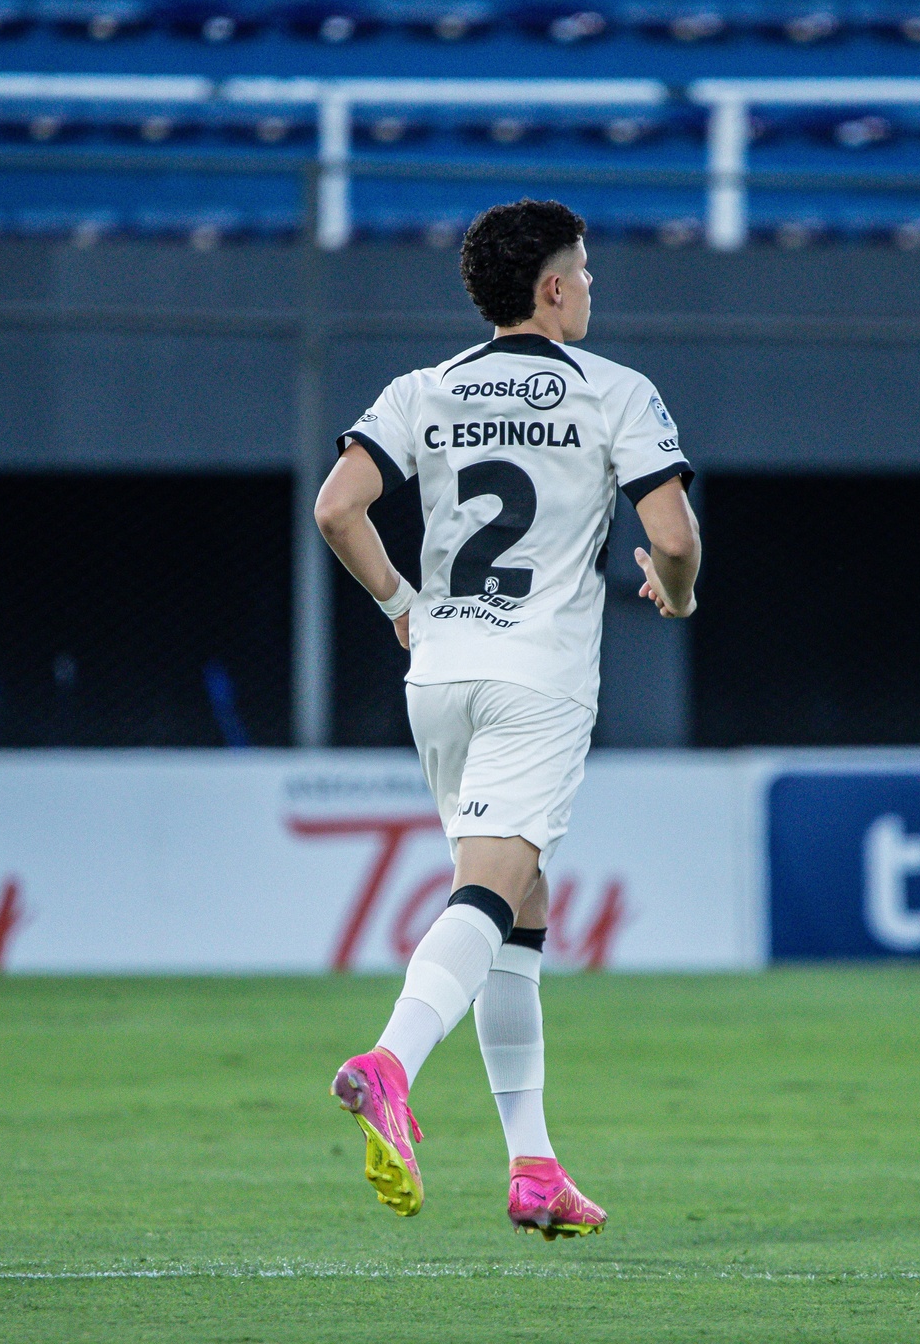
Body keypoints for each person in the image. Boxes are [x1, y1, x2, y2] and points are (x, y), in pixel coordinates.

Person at [314, 198, 701, 1239]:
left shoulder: (424, 388)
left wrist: (399, 604)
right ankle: (389, 1062)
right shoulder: (614, 390)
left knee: (520, 908)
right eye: (584, 271)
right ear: (553, 287)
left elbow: (336, 508)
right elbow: (672, 535)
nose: (590, 288)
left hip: (440, 673)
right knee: (488, 891)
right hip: (537, 677)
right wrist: (676, 591)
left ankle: (534, 1167)